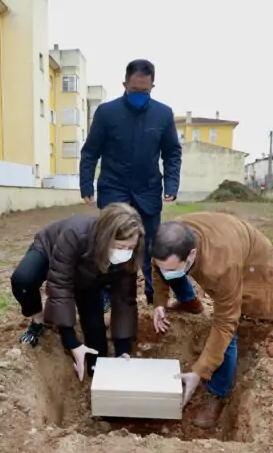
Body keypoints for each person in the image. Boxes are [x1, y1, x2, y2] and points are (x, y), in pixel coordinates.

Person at [79, 58, 198, 309]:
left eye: (144, 91)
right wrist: (86, 185)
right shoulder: (107, 113)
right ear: (124, 84)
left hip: (148, 189)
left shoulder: (163, 114)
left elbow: (172, 153)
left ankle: (165, 296)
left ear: (153, 87)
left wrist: (171, 185)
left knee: (155, 245)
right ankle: (108, 295)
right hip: (114, 188)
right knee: (113, 243)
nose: (139, 96)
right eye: (134, 91)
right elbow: (90, 152)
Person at [150, 213, 273, 428]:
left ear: (191, 255)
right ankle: (190, 302)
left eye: (170, 269)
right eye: (161, 266)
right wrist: (160, 303)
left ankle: (217, 394)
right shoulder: (163, 244)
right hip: (218, 238)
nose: (164, 272)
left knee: (231, 330)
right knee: (170, 270)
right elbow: (158, 270)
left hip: (251, 255)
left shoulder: (222, 267)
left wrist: (199, 371)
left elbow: (225, 322)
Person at [10, 203, 143, 381]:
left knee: (97, 350)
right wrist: (71, 342)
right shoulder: (75, 233)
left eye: (130, 247)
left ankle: (94, 375)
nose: (125, 253)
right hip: (53, 252)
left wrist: (123, 351)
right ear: (105, 238)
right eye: (120, 247)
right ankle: (39, 320)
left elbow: (125, 300)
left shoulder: (128, 258)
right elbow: (60, 285)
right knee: (23, 281)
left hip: (89, 276)